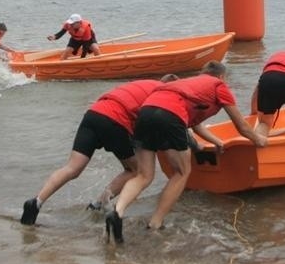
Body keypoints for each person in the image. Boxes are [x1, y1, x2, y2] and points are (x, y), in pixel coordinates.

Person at [104, 61, 267, 243]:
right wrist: (259, 140)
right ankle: (155, 223)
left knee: (144, 175)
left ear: (201, 73)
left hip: (145, 112)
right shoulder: (218, 85)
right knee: (182, 172)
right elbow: (242, 126)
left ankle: (117, 212)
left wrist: (217, 142)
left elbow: (195, 126)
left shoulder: (185, 85)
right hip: (170, 115)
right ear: (222, 77)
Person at [20, 74, 179, 225]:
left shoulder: (142, 84)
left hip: (93, 114)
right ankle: (99, 204)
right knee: (136, 170)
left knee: (72, 168)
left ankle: (37, 202)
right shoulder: (162, 94)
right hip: (114, 119)